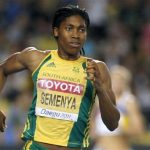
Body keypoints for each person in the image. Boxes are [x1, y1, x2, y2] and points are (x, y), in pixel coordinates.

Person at [0, 5, 120, 150]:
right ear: (56, 31)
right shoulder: (36, 58)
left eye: (81, 29)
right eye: (69, 28)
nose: (76, 35)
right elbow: (3, 69)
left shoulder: (97, 68)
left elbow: (113, 124)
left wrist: (100, 89)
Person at [91, 65, 145, 150]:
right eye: (114, 79)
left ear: (126, 83)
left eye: (120, 80)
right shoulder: (99, 100)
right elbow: (91, 122)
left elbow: (138, 129)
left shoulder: (129, 101)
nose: (116, 83)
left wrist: (117, 125)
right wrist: (93, 130)